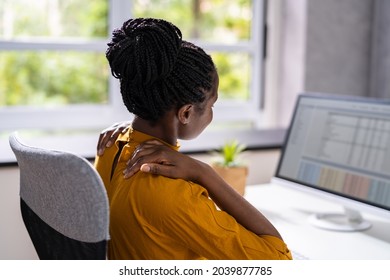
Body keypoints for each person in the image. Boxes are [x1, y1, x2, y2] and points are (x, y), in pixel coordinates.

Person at [95, 17, 292, 260]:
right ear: (186, 113)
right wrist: (204, 173)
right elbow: (278, 259)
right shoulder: (171, 193)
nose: (211, 114)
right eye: (212, 105)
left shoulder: (110, 147)